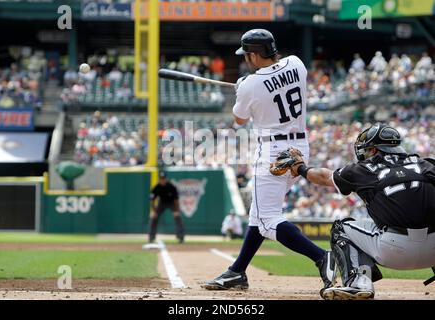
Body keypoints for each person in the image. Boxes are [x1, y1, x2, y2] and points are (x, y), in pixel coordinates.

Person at [202, 29, 335, 295]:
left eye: (247, 55)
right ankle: (237, 271)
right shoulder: (297, 64)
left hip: (273, 151)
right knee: (258, 215)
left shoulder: (251, 84)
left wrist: (244, 87)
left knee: (266, 219)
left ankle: (323, 257)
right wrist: (249, 84)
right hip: (299, 147)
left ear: (253, 54)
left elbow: (239, 120)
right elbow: (274, 83)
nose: (245, 59)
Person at [280, 123, 435, 300]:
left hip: (394, 250)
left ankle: (358, 283)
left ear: (375, 150)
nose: (364, 153)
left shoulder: (364, 169)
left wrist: (301, 168)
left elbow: (324, 177)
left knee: (341, 228)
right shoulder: (426, 164)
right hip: (433, 251)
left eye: (367, 149)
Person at [149, 171, 185, 243]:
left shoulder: (171, 187)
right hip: (161, 202)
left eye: (163, 178)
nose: (162, 180)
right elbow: (152, 200)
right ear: (159, 179)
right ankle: (151, 236)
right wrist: (154, 210)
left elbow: (176, 200)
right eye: (161, 179)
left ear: (166, 179)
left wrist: (177, 210)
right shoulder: (156, 187)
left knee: (177, 216)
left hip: (172, 203)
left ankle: (180, 236)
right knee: (154, 217)